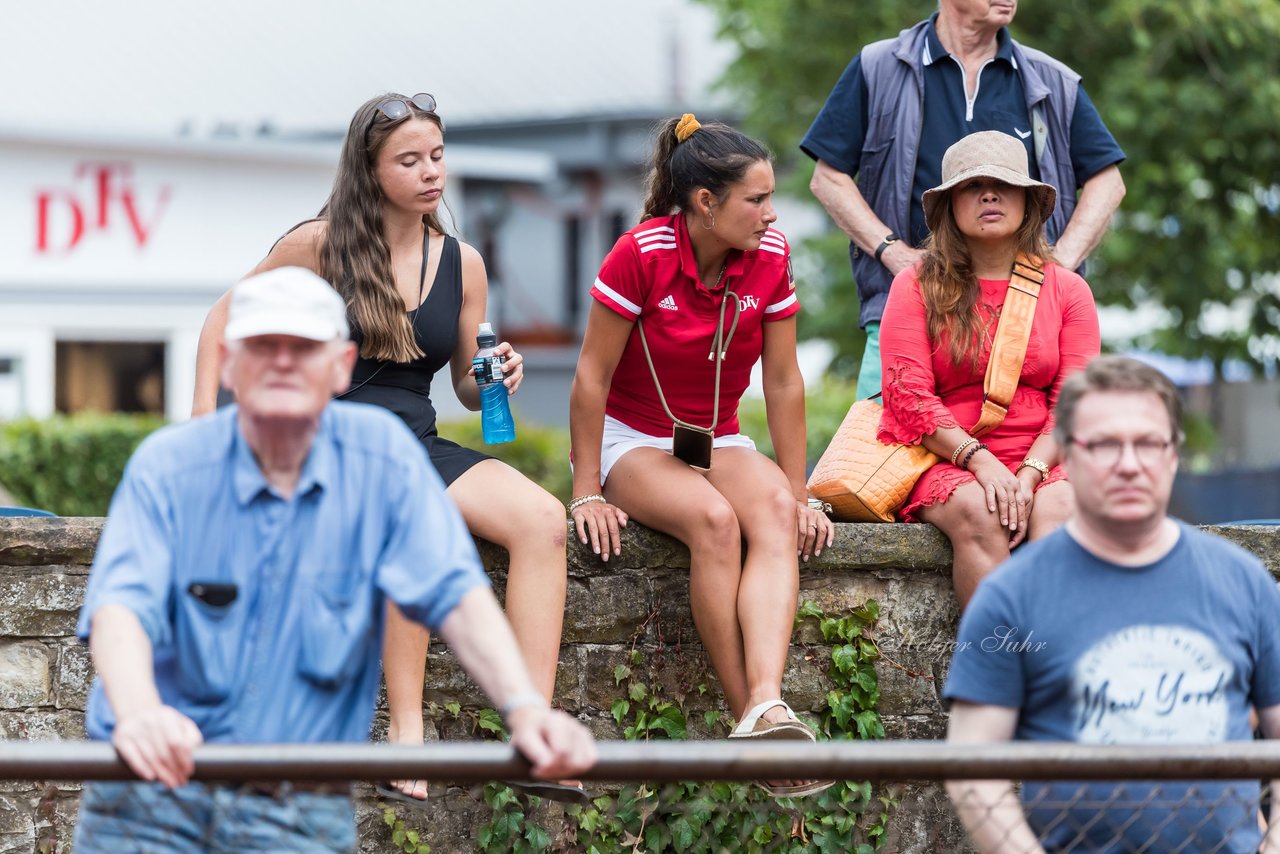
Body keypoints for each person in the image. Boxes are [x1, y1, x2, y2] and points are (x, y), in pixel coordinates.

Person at [74, 268, 595, 853]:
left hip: (297, 806)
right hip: (155, 793)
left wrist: (525, 710)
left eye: (303, 348)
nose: (282, 363)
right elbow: (121, 609)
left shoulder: (383, 461)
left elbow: (455, 595)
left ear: (342, 364)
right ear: (227, 361)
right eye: (262, 347)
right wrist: (141, 712)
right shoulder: (166, 467)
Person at [191, 93, 572, 801]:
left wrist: (495, 373)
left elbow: (463, 384)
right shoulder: (318, 243)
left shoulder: (463, 261)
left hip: (414, 437)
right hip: (326, 437)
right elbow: (225, 319)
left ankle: (534, 733)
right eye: (409, 160)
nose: (431, 172)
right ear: (369, 171)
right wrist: (203, 427)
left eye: (437, 155)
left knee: (544, 520)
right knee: (409, 515)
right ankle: (406, 734)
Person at [568, 114, 834, 799]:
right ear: (705, 203)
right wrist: (587, 489)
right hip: (636, 437)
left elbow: (782, 381)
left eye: (772, 197)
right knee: (715, 524)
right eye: (757, 199)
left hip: (716, 435)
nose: (772, 213)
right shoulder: (641, 253)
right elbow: (591, 377)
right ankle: (755, 722)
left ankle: (766, 707)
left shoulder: (770, 255)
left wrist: (801, 489)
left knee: (774, 509)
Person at [943, 355, 1280, 852]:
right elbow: (972, 768)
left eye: (1147, 443)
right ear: (1070, 459)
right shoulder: (1010, 597)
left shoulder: (1245, 584)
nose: (1128, 462)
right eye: (1104, 444)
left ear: (1172, 456)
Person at [800, 0, 1125, 401]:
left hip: (1030, 322)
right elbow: (828, 178)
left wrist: (1057, 265)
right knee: (880, 450)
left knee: (1043, 449)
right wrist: (893, 253)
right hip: (906, 314)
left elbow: (1108, 182)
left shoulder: (1051, 79)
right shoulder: (878, 67)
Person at [878, 130, 1099, 608]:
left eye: (1003, 184)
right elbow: (908, 396)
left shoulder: (1067, 290)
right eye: (971, 186)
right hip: (946, 456)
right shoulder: (914, 284)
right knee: (982, 511)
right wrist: (982, 463)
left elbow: (1074, 407)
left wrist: (1031, 474)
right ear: (951, 206)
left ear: (1027, 201)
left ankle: (1052, 669)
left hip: (1045, 455)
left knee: (1061, 510)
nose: (989, 194)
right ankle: (994, 672)